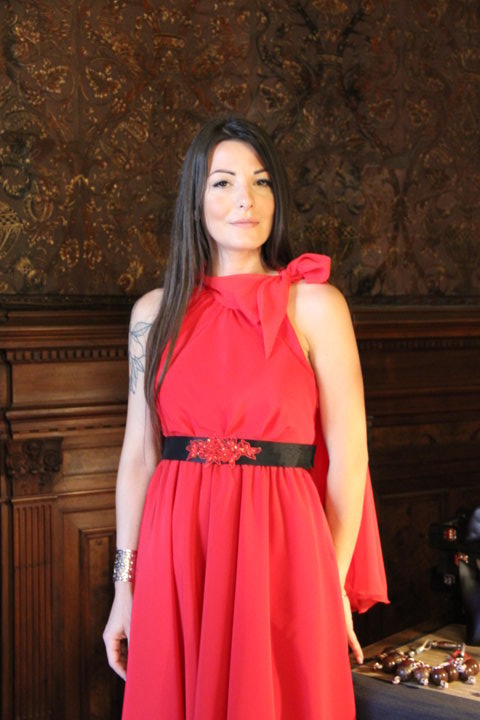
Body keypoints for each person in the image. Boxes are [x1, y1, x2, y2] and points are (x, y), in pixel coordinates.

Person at [103, 116, 388, 719]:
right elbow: (138, 457)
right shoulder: (152, 314)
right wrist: (124, 588)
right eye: (223, 182)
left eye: (261, 182)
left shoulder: (316, 305)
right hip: (179, 549)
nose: (245, 200)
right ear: (195, 198)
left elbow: (350, 458)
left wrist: (331, 582)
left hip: (284, 548)